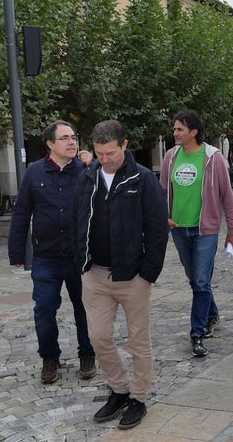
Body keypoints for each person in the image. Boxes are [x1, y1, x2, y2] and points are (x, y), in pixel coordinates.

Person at [73, 119, 168, 430]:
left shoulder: (143, 180)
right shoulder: (88, 177)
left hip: (132, 277)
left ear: (124, 145)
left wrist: (147, 274)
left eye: (111, 152)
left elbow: (157, 230)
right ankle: (118, 390)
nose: (105, 159)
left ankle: (138, 398)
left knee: (138, 342)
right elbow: (79, 221)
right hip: (95, 274)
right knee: (98, 336)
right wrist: (81, 261)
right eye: (100, 153)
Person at [8, 120, 95, 384]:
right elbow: (22, 214)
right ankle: (49, 358)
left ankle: (87, 354)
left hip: (79, 256)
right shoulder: (34, 173)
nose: (72, 142)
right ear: (50, 144)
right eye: (65, 138)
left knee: (85, 308)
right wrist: (17, 254)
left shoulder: (85, 170)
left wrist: (94, 165)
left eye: (73, 137)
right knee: (44, 308)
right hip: (46, 256)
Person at [159, 110, 233, 358]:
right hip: (179, 229)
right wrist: (164, 216)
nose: (175, 133)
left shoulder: (213, 158)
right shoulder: (170, 157)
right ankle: (212, 314)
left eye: (179, 129)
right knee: (195, 280)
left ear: (193, 131)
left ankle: (197, 333)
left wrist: (232, 231)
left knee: (201, 281)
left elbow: (227, 196)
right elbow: (161, 190)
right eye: (174, 129)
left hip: (206, 230)